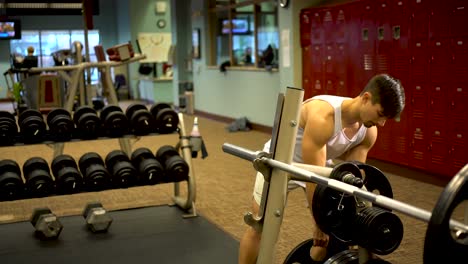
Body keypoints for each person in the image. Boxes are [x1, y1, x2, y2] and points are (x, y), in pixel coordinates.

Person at [238, 74, 405, 264]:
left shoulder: (368, 131)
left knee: (332, 232)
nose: (382, 123)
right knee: (263, 229)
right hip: (280, 162)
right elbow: (312, 176)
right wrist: (319, 222)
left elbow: (352, 179)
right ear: (366, 98)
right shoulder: (324, 116)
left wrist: (351, 223)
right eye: (381, 114)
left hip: (319, 165)